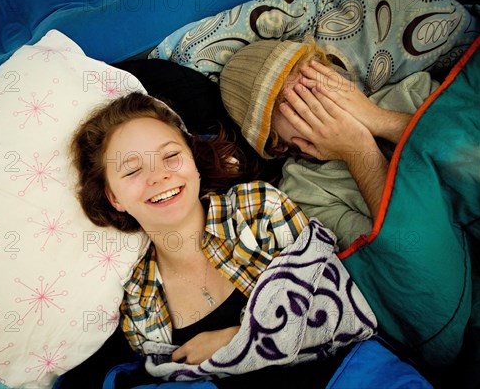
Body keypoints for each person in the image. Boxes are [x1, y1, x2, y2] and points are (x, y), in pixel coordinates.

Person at [67, 92, 365, 387]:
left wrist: (235, 340)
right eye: (132, 170)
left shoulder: (259, 209)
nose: (158, 176)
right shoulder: (139, 301)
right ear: (114, 198)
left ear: (194, 162)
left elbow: (345, 317)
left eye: (171, 156)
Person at [219, 38, 439, 250]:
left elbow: (469, 151)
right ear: (279, 145)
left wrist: (380, 119)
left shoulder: (413, 92)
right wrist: (357, 150)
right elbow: (412, 246)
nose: (323, 103)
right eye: (300, 107)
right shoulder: (305, 193)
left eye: (316, 82)